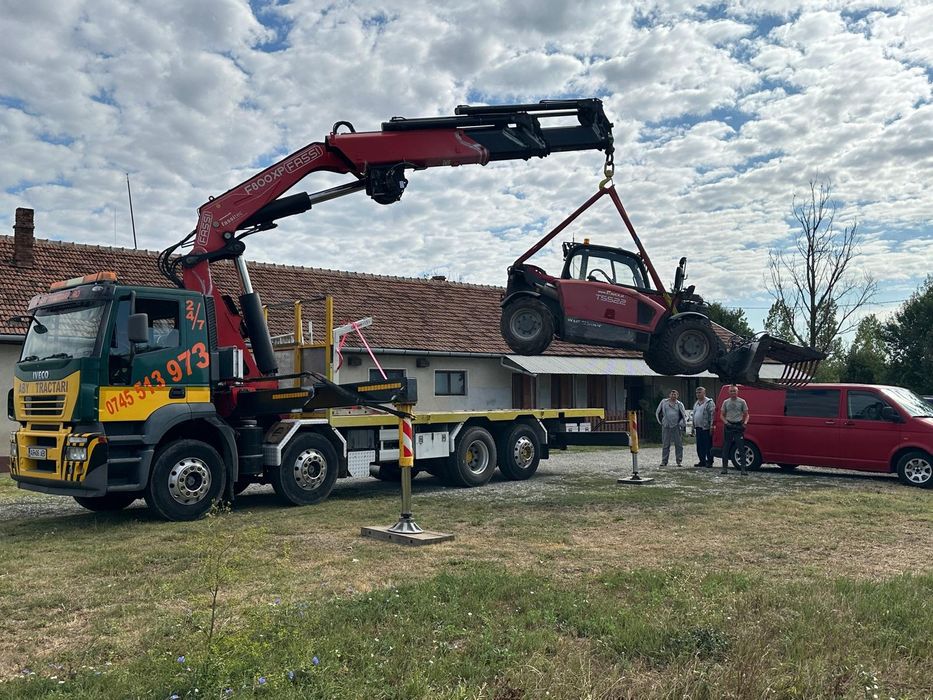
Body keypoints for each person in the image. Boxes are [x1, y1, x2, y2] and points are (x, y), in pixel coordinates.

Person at [720, 384, 749, 475]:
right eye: (731, 391)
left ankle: (743, 469)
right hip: (728, 425)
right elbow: (721, 415)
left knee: (740, 447)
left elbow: (747, 414)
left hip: (738, 426)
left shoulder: (742, 402)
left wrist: (745, 423)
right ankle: (724, 468)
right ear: (729, 392)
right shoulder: (725, 402)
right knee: (726, 447)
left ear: (737, 392)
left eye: (734, 391)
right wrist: (726, 423)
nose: (733, 392)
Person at [656, 389, 687, 467]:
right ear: (669, 395)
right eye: (672, 394)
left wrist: (683, 424)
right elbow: (658, 412)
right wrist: (660, 422)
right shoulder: (664, 402)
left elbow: (683, 415)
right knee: (666, 444)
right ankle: (664, 461)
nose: (673, 396)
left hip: (676, 425)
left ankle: (679, 460)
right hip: (666, 425)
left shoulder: (680, 404)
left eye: (675, 394)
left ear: (677, 396)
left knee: (678, 444)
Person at [692, 386, 715, 467]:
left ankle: (709, 461)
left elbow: (712, 415)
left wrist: (712, 426)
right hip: (698, 428)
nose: (698, 394)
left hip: (706, 428)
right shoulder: (696, 403)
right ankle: (702, 461)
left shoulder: (709, 402)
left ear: (704, 393)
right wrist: (693, 427)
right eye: (697, 393)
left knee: (707, 445)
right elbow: (694, 415)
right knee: (699, 446)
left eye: (699, 392)